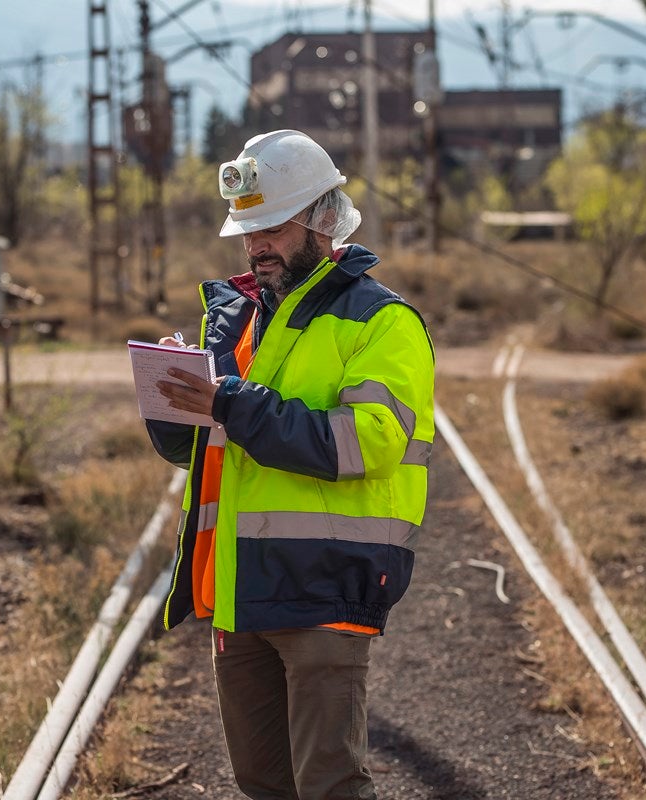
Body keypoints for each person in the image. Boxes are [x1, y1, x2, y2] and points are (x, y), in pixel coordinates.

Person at [144, 129, 435, 800]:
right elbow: (207, 449)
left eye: (272, 227)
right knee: (262, 782)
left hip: (324, 587)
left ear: (324, 220)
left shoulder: (382, 322)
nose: (256, 245)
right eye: (247, 231)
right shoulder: (238, 321)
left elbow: (366, 443)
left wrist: (232, 402)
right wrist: (175, 401)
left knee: (329, 784)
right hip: (241, 588)